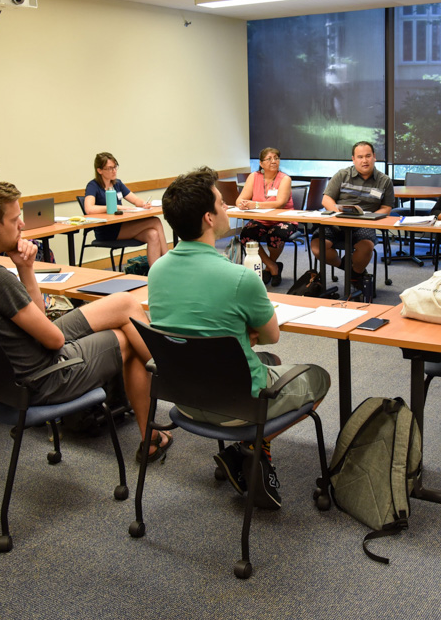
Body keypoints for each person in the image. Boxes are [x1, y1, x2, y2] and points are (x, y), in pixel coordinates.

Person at [0, 180, 171, 462]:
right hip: (45, 377)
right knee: (129, 338)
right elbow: (55, 340)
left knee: (125, 303)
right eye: (15, 220)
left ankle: (166, 372)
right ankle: (162, 412)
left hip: (9, 371)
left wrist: (25, 267)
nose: (22, 225)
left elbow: (36, 318)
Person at [148, 167, 331, 510]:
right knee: (318, 376)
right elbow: (271, 335)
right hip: (235, 404)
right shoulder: (240, 278)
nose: (227, 207)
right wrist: (245, 329)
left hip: (185, 399)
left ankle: (250, 452)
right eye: (221, 202)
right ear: (207, 218)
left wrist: (232, 329)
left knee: (267, 364)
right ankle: (247, 448)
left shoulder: (156, 271)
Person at [311, 141, 394, 289]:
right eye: (360, 157)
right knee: (318, 246)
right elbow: (326, 199)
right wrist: (339, 213)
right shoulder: (342, 175)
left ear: (374, 157)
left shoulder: (384, 181)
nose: (364, 160)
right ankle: (352, 272)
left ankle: (354, 274)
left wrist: (369, 218)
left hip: (364, 223)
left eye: (368, 156)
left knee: (366, 247)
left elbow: (386, 208)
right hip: (337, 221)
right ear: (353, 159)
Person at [83, 152, 168, 266]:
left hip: (122, 226)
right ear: (100, 170)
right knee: (155, 221)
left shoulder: (117, 184)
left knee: (153, 234)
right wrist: (114, 207)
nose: (114, 171)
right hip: (107, 231)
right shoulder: (93, 186)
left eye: (115, 167)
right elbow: (89, 209)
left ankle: (155, 273)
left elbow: (135, 200)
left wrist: (144, 204)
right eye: (110, 168)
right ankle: (168, 263)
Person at [235, 147, 297, 287]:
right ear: (261, 163)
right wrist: (243, 204)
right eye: (269, 159)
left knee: (275, 234)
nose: (273, 161)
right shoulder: (254, 177)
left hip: (283, 219)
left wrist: (255, 205)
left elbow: (280, 203)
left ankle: (268, 268)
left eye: (276, 158)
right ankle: (272, 266)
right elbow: (239, 200)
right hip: (261, 220)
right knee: (246, 234)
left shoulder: (285, 179)